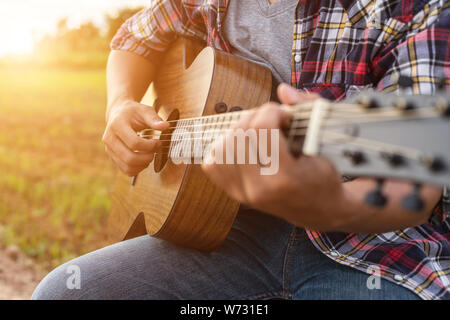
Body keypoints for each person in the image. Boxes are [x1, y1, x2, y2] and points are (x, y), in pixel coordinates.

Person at [32, 0, 449, 300]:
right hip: (226, 229)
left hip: (375, 247)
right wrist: (119, 104)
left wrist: (329, 203)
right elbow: (136, 37)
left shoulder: (413, 8)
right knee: (65, 292)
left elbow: (414, 187)